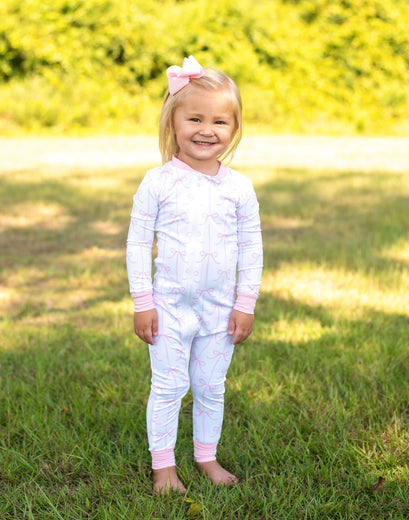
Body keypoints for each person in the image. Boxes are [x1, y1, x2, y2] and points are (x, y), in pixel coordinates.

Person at [126, 55, 263, 494]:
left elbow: (251, 248)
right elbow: (136, 245)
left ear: (234, 129)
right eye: (196, 118)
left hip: (220, 308)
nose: (207, 130)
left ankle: (206, 456)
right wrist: (142, 302)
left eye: (220, 121)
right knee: (169, 385)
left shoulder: (239, 187)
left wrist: (246, 305)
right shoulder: (157, 182)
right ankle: (163, 466)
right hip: (168, 306)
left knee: (210, 385)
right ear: (173, 124)